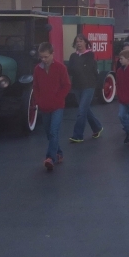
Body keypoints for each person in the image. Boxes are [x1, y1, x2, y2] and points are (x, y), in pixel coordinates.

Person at [33, 42, 71, 172]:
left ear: (52, 54)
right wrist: (38, 100)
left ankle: (50, 158)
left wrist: (58, 98)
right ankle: (58, 153)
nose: (43, 59)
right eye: (41, 57)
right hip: (44, 106)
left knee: (54, 131)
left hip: (57, 106)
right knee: (49, 133)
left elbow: (66, 85)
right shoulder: (37, 69)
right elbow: (36, 87)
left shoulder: (61, 68)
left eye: (46, 57)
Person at [68, 34, 103, 143]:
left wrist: (96, 85)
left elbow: (91, 70)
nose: (79, 43)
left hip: (89, 86)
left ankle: (78, 135)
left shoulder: (90, 55)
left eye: (81, 41)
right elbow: (70, 71)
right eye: (77, 41)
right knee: (85, 110)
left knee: (81, 111)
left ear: (85, 43)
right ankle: (97, 128)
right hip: (77, 86)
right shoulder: (73, 56)